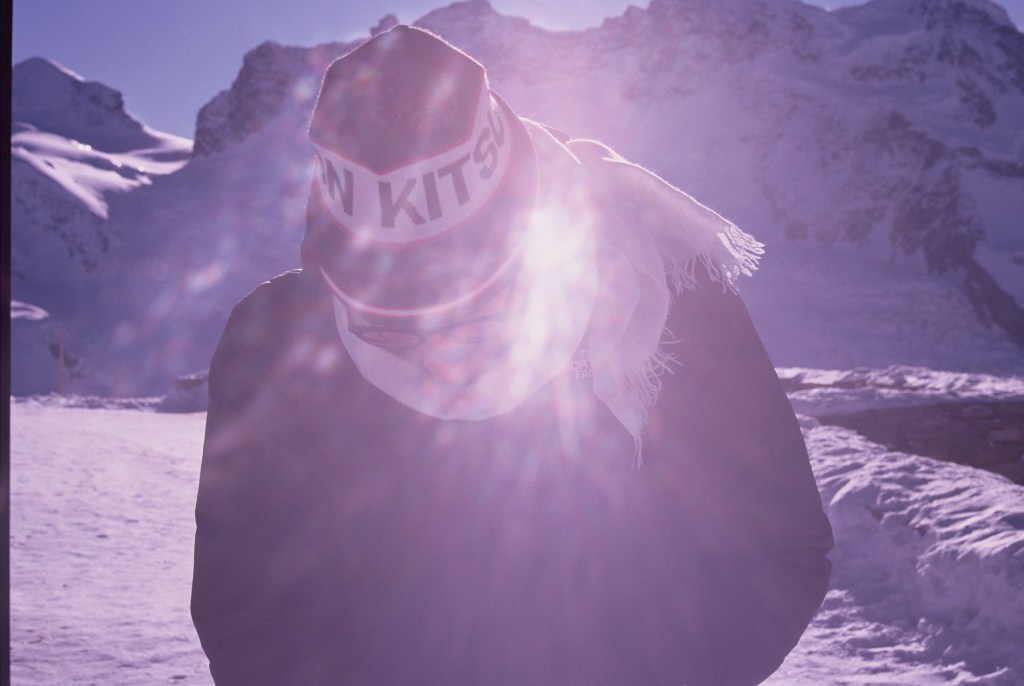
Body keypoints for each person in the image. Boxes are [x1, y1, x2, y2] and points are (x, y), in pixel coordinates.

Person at [191, 24, 833, 686]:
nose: (439, 353)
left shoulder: (663, 299)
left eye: (473, 309)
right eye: (389, 327)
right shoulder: (272, 346)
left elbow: (776, 552)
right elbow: (247, 604)